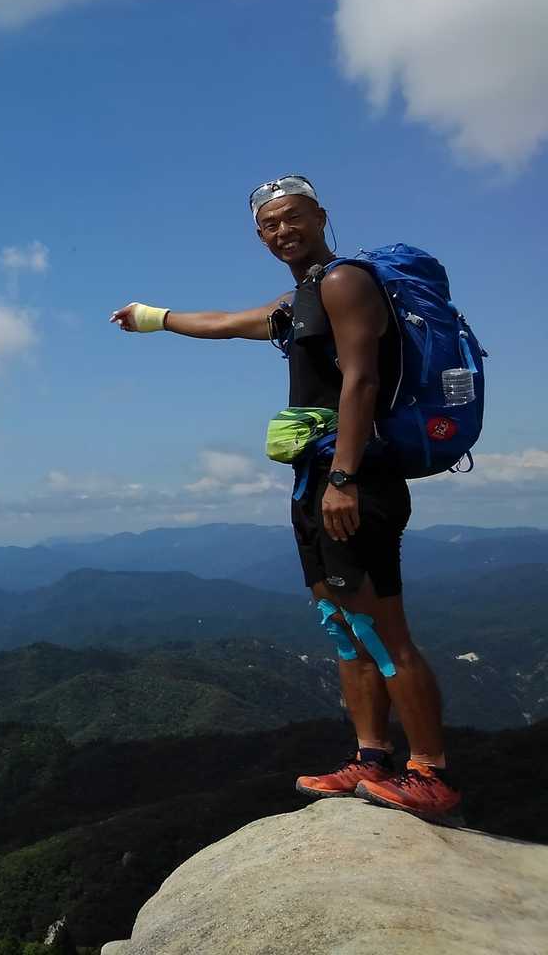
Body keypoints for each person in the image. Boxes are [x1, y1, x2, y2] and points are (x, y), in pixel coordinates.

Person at [109, 174, 461, 823]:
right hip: (314, 479)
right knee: (344, 626)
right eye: (269, 225)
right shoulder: (301, 297)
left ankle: (430, 773)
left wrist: (345, 478)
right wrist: (153, 318)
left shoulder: (344, 283)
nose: (282, 231)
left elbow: (362, 380)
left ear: (320, 216)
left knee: (384, 632)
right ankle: (372, 758)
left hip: (355, 479)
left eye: (293, 217)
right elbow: (225, 323)